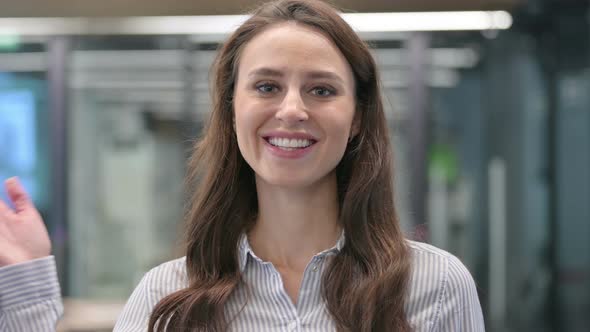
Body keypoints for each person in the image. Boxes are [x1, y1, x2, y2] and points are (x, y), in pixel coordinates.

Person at [0, 0, 485, 331]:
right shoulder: (171, 296)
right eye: (267, 86)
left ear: (357, 118)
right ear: (232, 112)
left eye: (321, 89)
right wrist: (27, 294)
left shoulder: (435, 286)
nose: (292, 109)